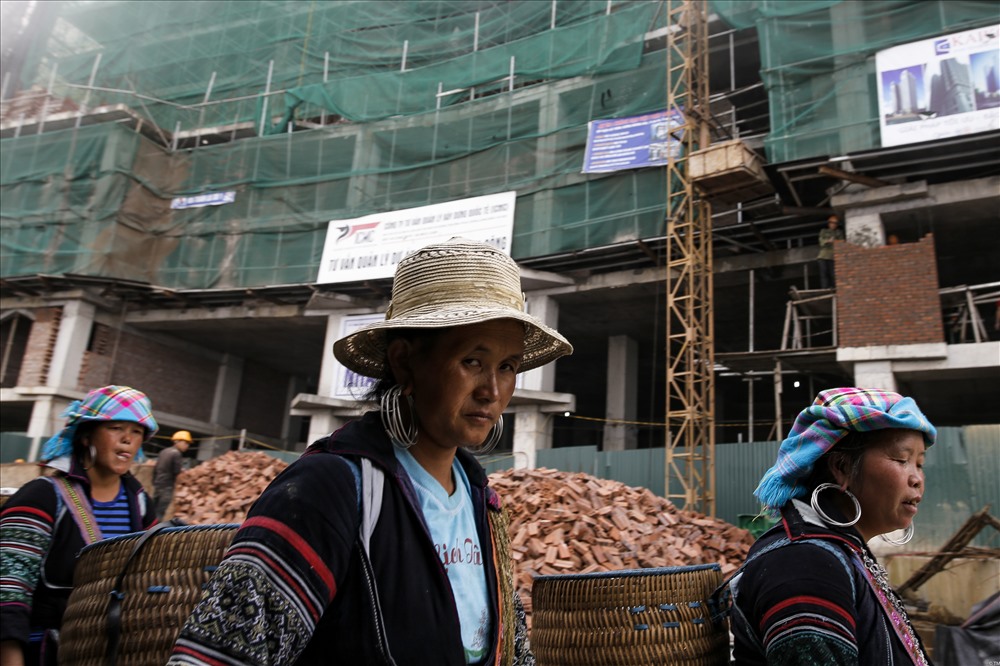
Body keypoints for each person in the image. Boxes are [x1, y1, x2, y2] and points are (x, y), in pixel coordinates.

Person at [169, 238, 573, 666]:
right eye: (472, 361)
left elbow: (510, 650)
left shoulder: (481, 501)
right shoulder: (329, 491)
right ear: (404, 361)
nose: (492, 390)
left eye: (507, 367)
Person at [721, 387, 936, 665]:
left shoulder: (842, 551)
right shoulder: (804, 564)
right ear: (842, 467)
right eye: (901, 459)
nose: (917, 478)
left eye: (919, 464)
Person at [0, 385, 158, 666]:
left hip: (105, 652)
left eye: (136, 432)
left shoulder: (140, 503)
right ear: (86, 436)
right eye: (116, 429)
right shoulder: (43, 496)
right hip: (41, 650)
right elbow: (9, 585)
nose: (127, 440)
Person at [153, 430, 192, 519]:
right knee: (160, 512)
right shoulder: (176, 454)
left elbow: (156, 468)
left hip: (158, 484)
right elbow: (176, 471)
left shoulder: (164, 451)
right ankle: (154, 530)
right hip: (167, 486)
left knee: (153, 509)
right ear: (177, 441)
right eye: (185, 443)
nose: (187, 446)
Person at [817, 214, 845, 289]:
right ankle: (824, 288)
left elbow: (842, 242)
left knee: (833, 274)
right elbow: (821, 241)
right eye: (832, 223)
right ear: (829, 223)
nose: (833, 225)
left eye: (835, 223)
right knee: (824, 274)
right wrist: (828, 241)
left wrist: (835, 241)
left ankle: (835, 287)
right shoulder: (824, 231)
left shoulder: (838, 232)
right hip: (823, 256)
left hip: (833, 256)